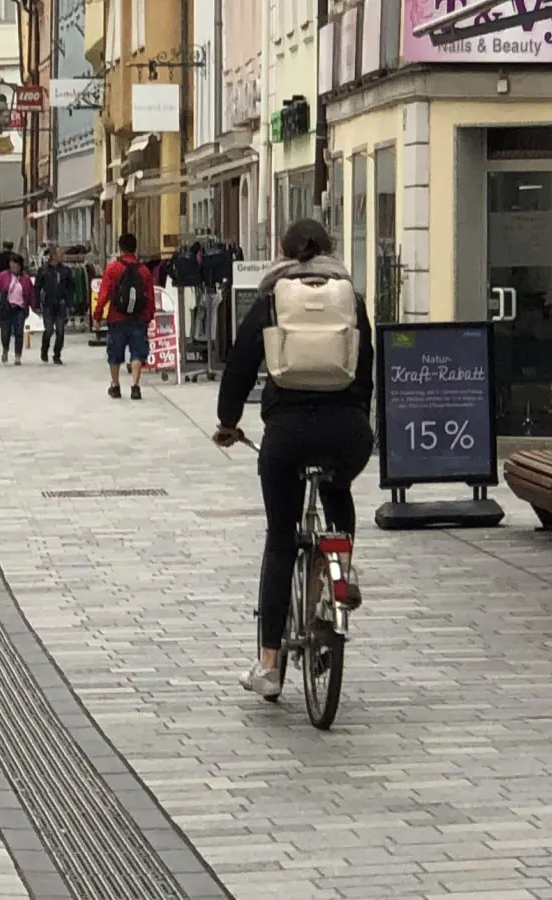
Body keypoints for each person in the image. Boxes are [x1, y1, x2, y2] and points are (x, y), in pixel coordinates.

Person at [211, 219, 373, 699]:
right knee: (337, 488)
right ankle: (341, 569)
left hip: (287, 434)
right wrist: (359, 418)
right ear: (331, 248)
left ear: (282, 252)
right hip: (347, 433)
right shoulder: (350, 297)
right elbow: (366, 364)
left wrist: (227, 420)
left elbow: (240, 362)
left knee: (281, 541)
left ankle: (268, 667)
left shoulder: (271, 297)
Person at [95, 233, 156, 399]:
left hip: (117, 317)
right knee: (137, 352)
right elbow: (150, 296)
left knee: (114, 352)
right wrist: (149, 315)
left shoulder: (113, 269)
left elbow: (104, 294)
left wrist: (98, 315)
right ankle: (135, 386)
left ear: (120, 248)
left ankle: (115, 385)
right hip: (139, 318)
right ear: (135, 248)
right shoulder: (144, 271)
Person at [0, 254, 36, 366]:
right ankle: (5, 349)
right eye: (11, 263)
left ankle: (18, 356)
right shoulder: (3, 276)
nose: (13, 266)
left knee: (19, 333)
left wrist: (35, 307)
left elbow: (31, 295)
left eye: (15, 264)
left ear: (20, 266)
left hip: (19, 309)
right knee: (5, 333)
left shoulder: (26, 279)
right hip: (6, 308)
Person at [36, 246, 77, 365]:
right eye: (60, 254)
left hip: (61, 304)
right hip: (48, 304)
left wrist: (70, 303)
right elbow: (37, 288)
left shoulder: (66, 271)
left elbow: (71, 288)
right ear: (53, 255)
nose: (62, 256)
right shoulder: (43, 270)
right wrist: (36, 304)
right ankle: (44, 350)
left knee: (60, 331)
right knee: (48, 330)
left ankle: (57, 354)